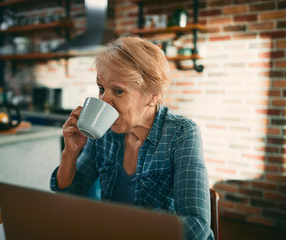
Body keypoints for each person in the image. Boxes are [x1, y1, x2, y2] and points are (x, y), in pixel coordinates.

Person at [50, 36, 214, 240]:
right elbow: (70, 196)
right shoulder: (103, 130)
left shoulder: (181, 133)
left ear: (152, 95)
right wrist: (70, 153)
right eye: (101, 89)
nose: (104, 101)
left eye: (118, 91)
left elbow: (196, 226)